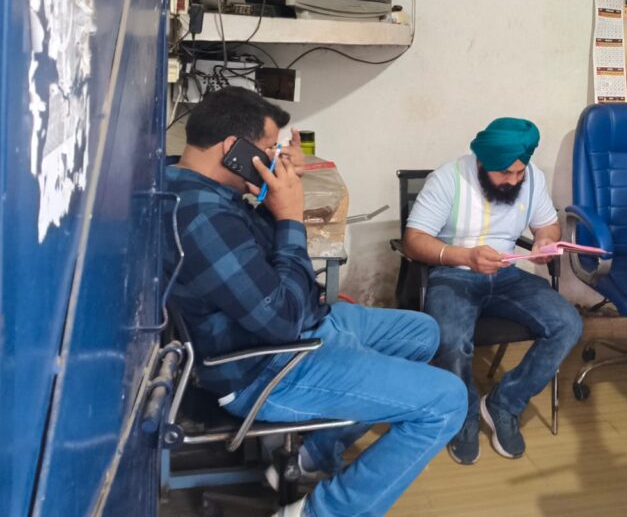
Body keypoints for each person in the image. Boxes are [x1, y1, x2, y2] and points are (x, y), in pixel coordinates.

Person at [166, 87, 466, 517]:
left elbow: (260, 263)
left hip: (305, 323)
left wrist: (273, 198)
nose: (274, 158)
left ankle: (313, 455)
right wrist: (290, 215)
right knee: (447, 401)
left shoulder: (201, 189)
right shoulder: (201, 216)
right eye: (269, 149)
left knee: (423, 332)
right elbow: (283, 320)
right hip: (270, 364)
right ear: (234, 149)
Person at [402, 118, 583, 465]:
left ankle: (504, 404)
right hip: (454, 273)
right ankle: (464, 413)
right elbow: (414, 241)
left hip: (506, 275)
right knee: (451, 339)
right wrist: (465, 257)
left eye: (519, 172)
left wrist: (545, 241)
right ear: (482, 162)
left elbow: (547, 224)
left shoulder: (531, 179)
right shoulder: (448, 179)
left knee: (568, 324)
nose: (513, 180)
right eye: (505, 173)